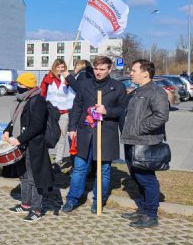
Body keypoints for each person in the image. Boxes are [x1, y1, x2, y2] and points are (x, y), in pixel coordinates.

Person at [63, 56, 127, 213]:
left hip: (105, 135)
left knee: (103, 170)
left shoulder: (118, 87)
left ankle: (98, 201)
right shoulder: (85, 85)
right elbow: (77, 107)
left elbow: (124, 111)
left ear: (109, 69)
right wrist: (72, 128)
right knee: (79, 168)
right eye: (96, 69)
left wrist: (107, 111)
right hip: (85, 134)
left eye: (102, 69)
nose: (98, 72)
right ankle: (72, 199)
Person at [121, 59, 169, 228]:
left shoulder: (156, 92)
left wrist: (139, 129)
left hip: (145, 143)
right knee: (136, 177)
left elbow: (161, 116)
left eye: (134, 70)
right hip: (131, 141)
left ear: (145, 73)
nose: (130, 73)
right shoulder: (136, 91)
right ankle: (143, 209)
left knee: (147, 179)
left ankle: (151, 214)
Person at [2, 73, 54, 221]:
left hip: (33, 145)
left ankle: (36, 209)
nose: (17, 87)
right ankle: (25, 204)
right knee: (23, 176)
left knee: (33, 178)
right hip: (22, 144)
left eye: (20, 85)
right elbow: (15, 120)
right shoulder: (22, 99)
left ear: (27, 86)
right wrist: (7, 130)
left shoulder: (38, 101)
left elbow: (36, 126)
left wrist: (19, 139)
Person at [40, 58, 75, 168]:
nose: (60, 69)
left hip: (64, 112)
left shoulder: (68, 78)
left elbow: (75, 91)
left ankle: (58, 161)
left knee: (62, 136)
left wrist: (68, 80)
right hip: (51, 112)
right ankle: (45, 158)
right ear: (54, 67)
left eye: (62, 67)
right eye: (58, 67)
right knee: (48, 135)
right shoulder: (48, 78)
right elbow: (42, 92)